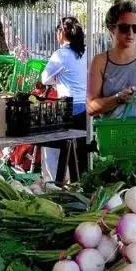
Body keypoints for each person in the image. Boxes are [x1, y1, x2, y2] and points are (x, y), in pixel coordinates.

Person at [40, 16, 88, 180]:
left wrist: (58, 80)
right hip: (86, 108)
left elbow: (45, 79)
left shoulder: (60, 54)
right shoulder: (85, 52)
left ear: (61, 33)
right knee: (81, 152)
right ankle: (79, 182)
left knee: (58, 147)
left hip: (69, 108)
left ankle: (57, 181)